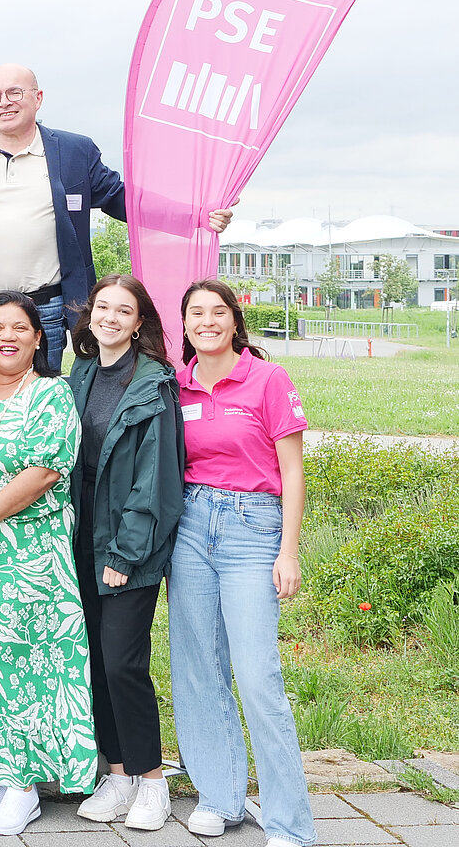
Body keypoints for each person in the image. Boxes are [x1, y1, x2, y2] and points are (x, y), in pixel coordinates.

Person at [0, 63, 232, 362]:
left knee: (41, 389)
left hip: (44, 309)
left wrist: (195, 214)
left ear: (38, 98)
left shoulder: (74, 152)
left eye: (14, 93)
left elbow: (123, 199)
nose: (4, 102)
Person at [170, 279, 314, 847]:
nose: (206, 321)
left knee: (257, 677)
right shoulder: (176, 384)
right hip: (190, 527)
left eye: (217, 312)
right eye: (195, 313)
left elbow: (294, 472)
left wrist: (288, 550)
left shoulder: (267, 378)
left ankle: (289, 824)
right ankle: (220, 797)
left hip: (253, 530)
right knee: (198, 669)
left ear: (235, 320)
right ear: (184, 324)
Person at [0, 291, 95, 837]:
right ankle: (6, 776)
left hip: (29, 550)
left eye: (19, 328)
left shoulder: (50, 394)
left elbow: (46, 471)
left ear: (38, 338)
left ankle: (26, 788)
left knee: (24, 662)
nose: (6, 336)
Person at [67, 276, 185, 833]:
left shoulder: (153, 385)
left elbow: (156, 479)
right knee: (93, 658)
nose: (110, 318)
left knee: (123, 663)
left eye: (123, 310)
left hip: (127, 543)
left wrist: (126, 552)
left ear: (140, 323)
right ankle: (117, 775)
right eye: (103, 307)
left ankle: (153, 780)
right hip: (81, 537)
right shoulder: (82, 373)